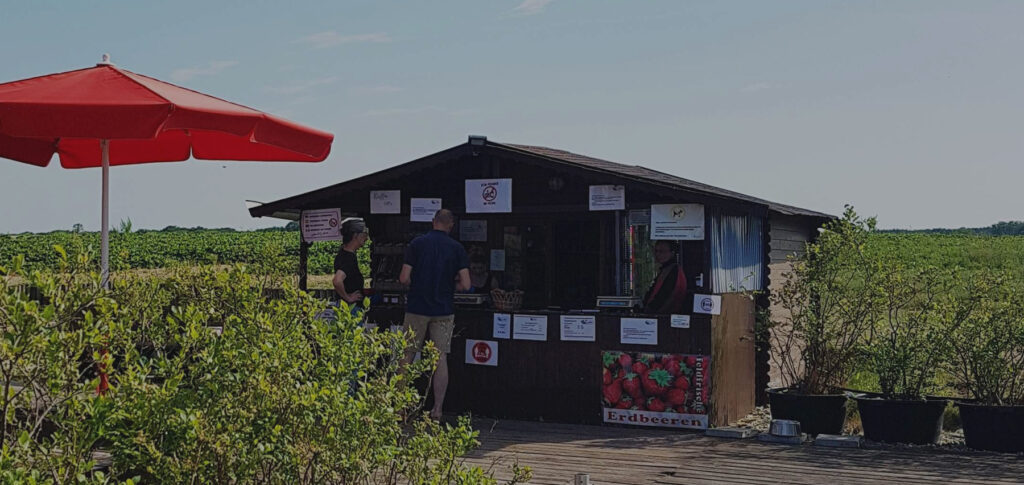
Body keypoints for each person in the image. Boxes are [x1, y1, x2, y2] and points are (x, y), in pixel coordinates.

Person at [398, 209, 471, 420]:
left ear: (433, 222)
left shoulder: (417, 244)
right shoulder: (457, 248)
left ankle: (400, 407)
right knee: (440, 359)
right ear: (451, 225)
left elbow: (404, 278)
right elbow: (466, 284)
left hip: (416, 307)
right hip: (444, 310)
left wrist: (418, 283)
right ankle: (437, 409)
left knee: (407, 355)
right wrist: (451, 284)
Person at [642, 240, 688, 314]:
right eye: (656, 251)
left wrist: (650, 310)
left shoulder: (674, 271)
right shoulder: (666, 270)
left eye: (662, 251)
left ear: (672, 253)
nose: (657, 254)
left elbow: (664, 296)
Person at [332, 218, 369, 308]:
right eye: (364, 234)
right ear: (355, 235)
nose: (366, 238)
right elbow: (337, 281)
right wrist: (348, 298)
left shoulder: (342, 253)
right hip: (351, 307)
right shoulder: (348, 258)